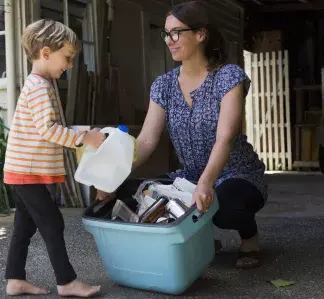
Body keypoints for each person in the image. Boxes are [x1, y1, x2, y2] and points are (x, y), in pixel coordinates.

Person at [98, 1, 267, 269]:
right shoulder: (163, 85)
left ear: (200, 34)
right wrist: (113, 176)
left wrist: (206, 183)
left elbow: (225, 137)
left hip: (237, 174)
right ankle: (202, 239)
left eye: (176, 32)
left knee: (224, 205)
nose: (169, 40)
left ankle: (250, 238)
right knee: (132, 192)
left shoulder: (228, 77)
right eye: (166, 33)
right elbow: (146, 141)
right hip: (189, 176)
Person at [3, 19, 104, 297]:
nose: (69, 65)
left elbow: (49, 126)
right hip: (27, 172)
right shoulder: (39, 87)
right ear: (46, 53)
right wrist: (83, 138)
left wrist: (83, 132)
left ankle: (15, 279)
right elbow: (48, 130)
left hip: (22, 170)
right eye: (67, 58)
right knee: (52, 223)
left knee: (24, 226)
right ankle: (67, 281)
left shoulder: (42, 83)